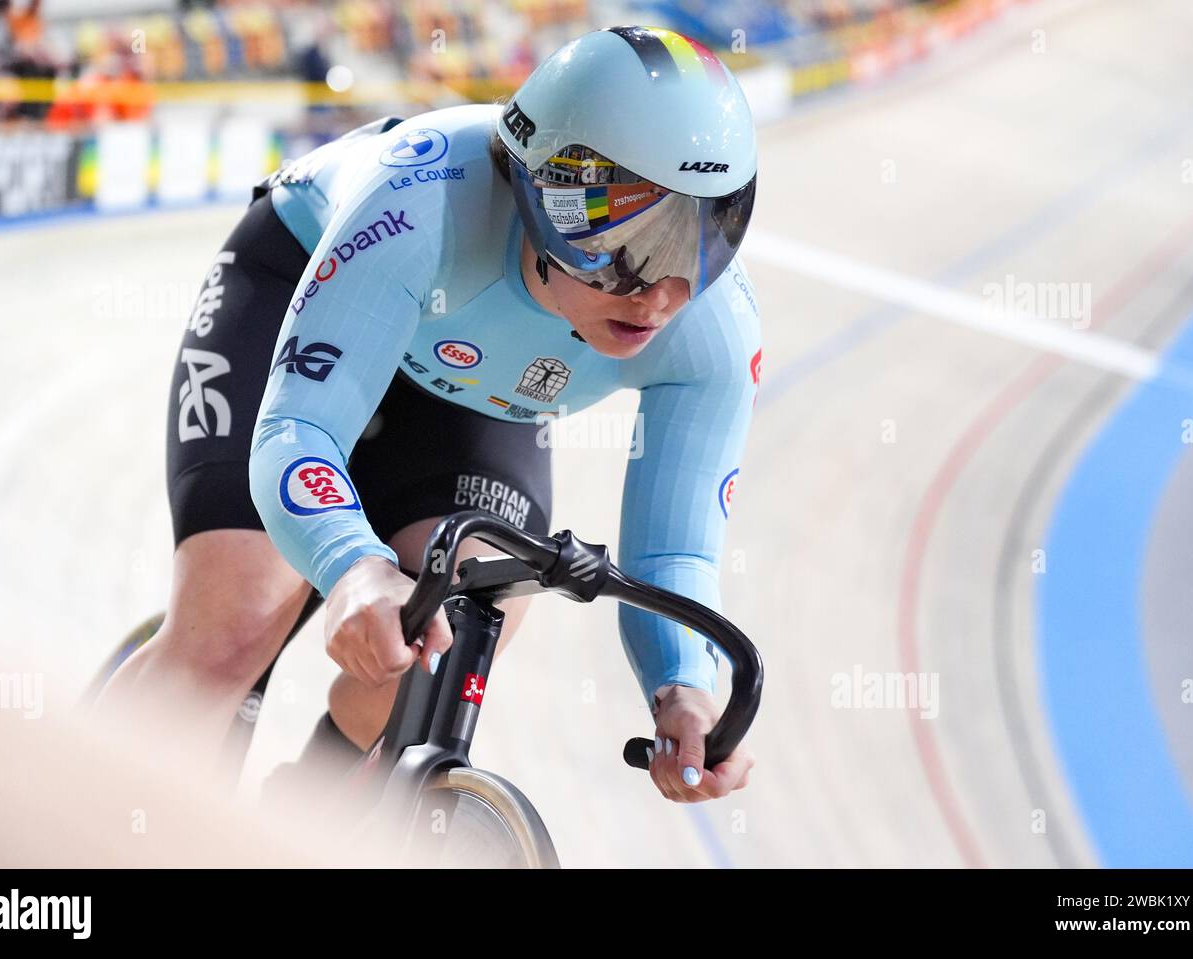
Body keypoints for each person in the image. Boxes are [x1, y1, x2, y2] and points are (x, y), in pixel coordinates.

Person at [97, 25, 761, 804]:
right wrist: (352, 563)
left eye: (704, 237)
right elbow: (297, 431)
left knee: (449, 639)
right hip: (298, 290)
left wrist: (684, 690)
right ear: (540, 195)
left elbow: (673, 560)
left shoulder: (713, 332)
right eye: (627, 238)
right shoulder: (421, 201)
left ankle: (301, 816)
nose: (662, 293)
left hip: (470, 394)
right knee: (234, 620)